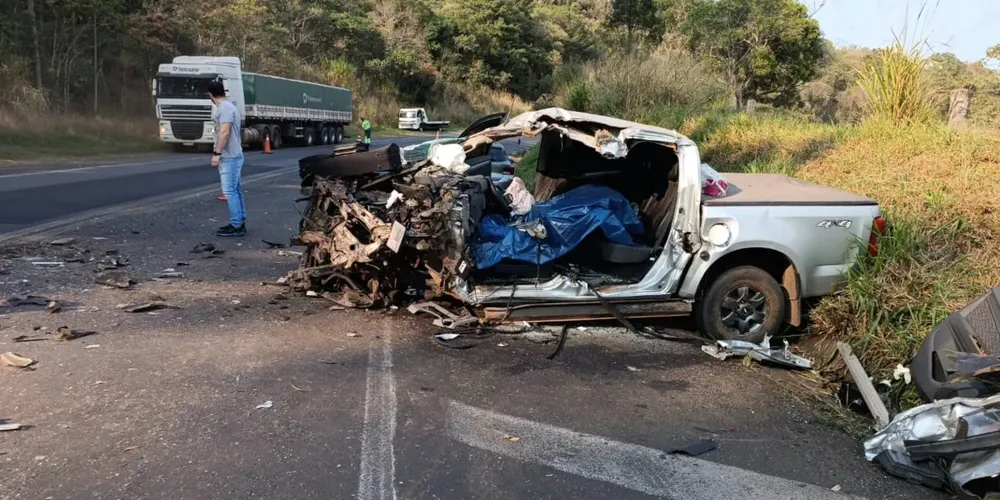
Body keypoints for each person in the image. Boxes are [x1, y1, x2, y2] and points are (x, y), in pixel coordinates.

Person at [208, 81, 246, 237]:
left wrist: (217, 154)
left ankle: (236, 225)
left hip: (229, 156)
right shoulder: (230, 107)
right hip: (234, 154)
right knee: (235, 190)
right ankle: (240, 220)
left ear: (210, 95)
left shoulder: (224, 109)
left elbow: (224, 132)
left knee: (229, 191)